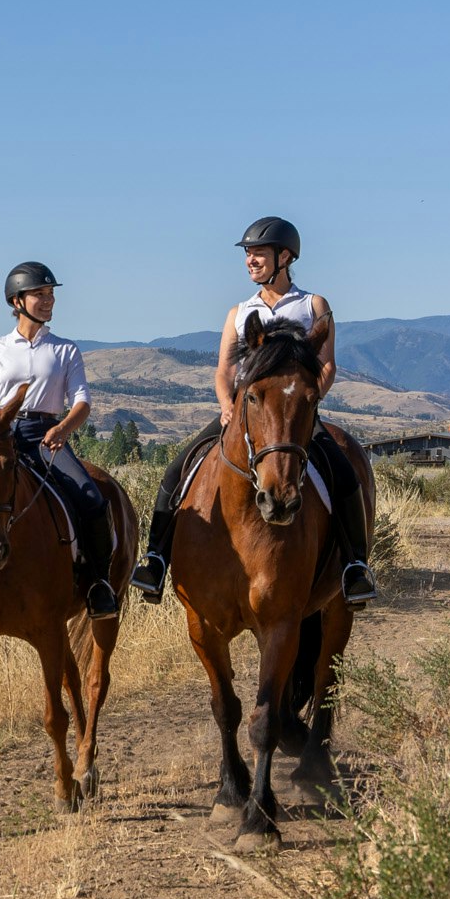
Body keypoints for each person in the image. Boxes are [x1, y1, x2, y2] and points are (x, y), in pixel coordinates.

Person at [127, 216, 377, 606]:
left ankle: (355, 567)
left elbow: (326, 365)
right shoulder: (239, 312)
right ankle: (156, 558)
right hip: (245, 414)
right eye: (247, 254)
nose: (250, 261)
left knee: (345, 475)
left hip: (296, 418)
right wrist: (227, 405)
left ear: (285, 256)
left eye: (258, 253)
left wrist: (308, 403)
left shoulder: (313, 305)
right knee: (178, 468)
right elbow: (225, 370)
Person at [0, 262, 119, 624]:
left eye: (51, 294)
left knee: (91, 500)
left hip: (47, 438)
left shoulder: (65, 350)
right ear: (17, 301)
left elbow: (82, 402)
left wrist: (63, 429)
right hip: (0, 438)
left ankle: (98, 585)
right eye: (39, 294)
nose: (48, 300)